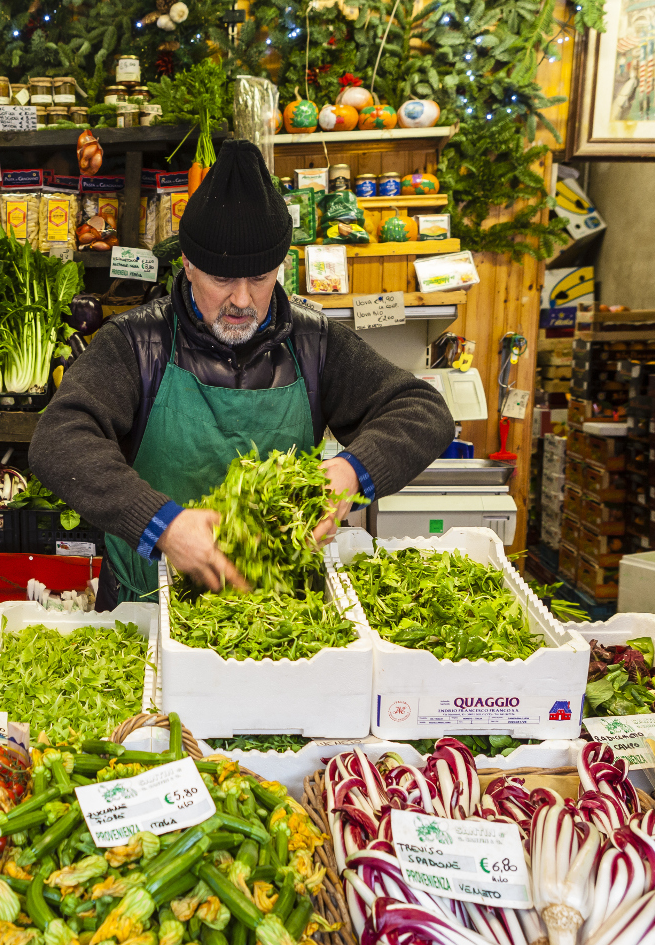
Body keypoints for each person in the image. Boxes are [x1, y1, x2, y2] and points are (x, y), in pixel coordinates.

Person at [30, 139, 455, 607]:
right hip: (145, 609)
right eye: (221, 279)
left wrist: (353, 471)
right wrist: (162, 523)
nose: (242, 300)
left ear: (281, 266)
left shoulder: (314, 342)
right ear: (188, 265)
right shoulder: (135, 342)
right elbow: (58, 439)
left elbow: (422, 410)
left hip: (278, 616)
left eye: (259, 278)